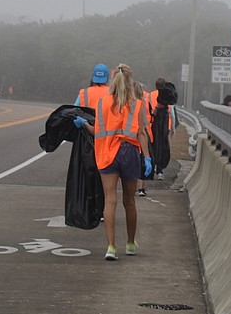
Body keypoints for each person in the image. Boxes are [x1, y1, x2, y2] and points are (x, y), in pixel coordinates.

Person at [73, 64, 150, 261]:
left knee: (110, 200)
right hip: (130, 153)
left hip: (107, 153)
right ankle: (131, 244)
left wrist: (85, 125)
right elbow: (141, 133)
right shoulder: (137, 104)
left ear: (112, 82)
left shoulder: (102, 103)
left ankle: (111, 247)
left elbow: (97, 131)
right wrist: (147, 158)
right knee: (129, 201)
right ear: (130, 82)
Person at [149, 78, 174, 180]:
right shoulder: (168, 95)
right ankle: (160, 170)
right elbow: (171, 113)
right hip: (164, 124)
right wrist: (172, 129)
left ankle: (151, 168)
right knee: (162, 147)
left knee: (153, 146)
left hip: (152, 124)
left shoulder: (150, 95)